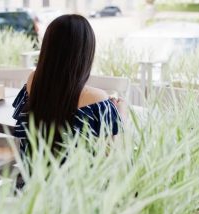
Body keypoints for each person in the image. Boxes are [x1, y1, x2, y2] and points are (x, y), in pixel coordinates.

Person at [12, 14, 126, 156]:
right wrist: (120, 116)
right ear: (85, 52)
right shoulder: (97, 99)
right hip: (77, 179)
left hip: (34, 176)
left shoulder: (33, 81)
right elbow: (114, 159)